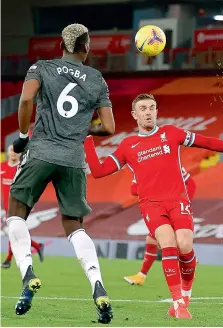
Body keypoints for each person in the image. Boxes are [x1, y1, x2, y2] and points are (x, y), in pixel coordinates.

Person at [84, 93, 223, 319]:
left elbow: (206, 142)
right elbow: (99, 171)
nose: (148, 112)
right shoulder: (128, 145)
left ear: (157, 111)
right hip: (151, 205)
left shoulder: (171, 133)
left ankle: (185, 296)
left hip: (177, 200)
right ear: (135, 115)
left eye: (151, 107)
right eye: (143, 109)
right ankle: (178, 303)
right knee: (168, 244)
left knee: (185, 246)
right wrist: (87, 139)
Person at [7, 23, 115, 323]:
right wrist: (84, 128)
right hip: (72, 159)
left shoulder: (41, 68)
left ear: (61, 45)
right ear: (87, 48)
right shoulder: (96, 79)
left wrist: (24, 130)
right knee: (74, 226)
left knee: (16, 211)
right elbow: (109, 127)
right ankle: (98, 286)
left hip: (41, 151)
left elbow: (27, 99)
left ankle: (28, 272)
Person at [124, 167, 196, 286]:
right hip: (157, 207)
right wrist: (154, 187)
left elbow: (191, 185)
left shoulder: (172, 164)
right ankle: (142, 275)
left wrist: (185, 203)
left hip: (174, 207)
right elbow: (133, 190)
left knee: (161, 240)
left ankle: (188, 265)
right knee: (153, 239)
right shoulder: (142, 167)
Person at [1, 145, 44, 269]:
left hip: (19, 205)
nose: (14, 153)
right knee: (17, 233)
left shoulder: (22, 168)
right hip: (7, 206)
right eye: (11, 150)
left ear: (20, 154)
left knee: (14, 232)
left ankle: (8, 260)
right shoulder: (2, 167)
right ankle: (37, 246)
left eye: (16, 151)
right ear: (7, 153)